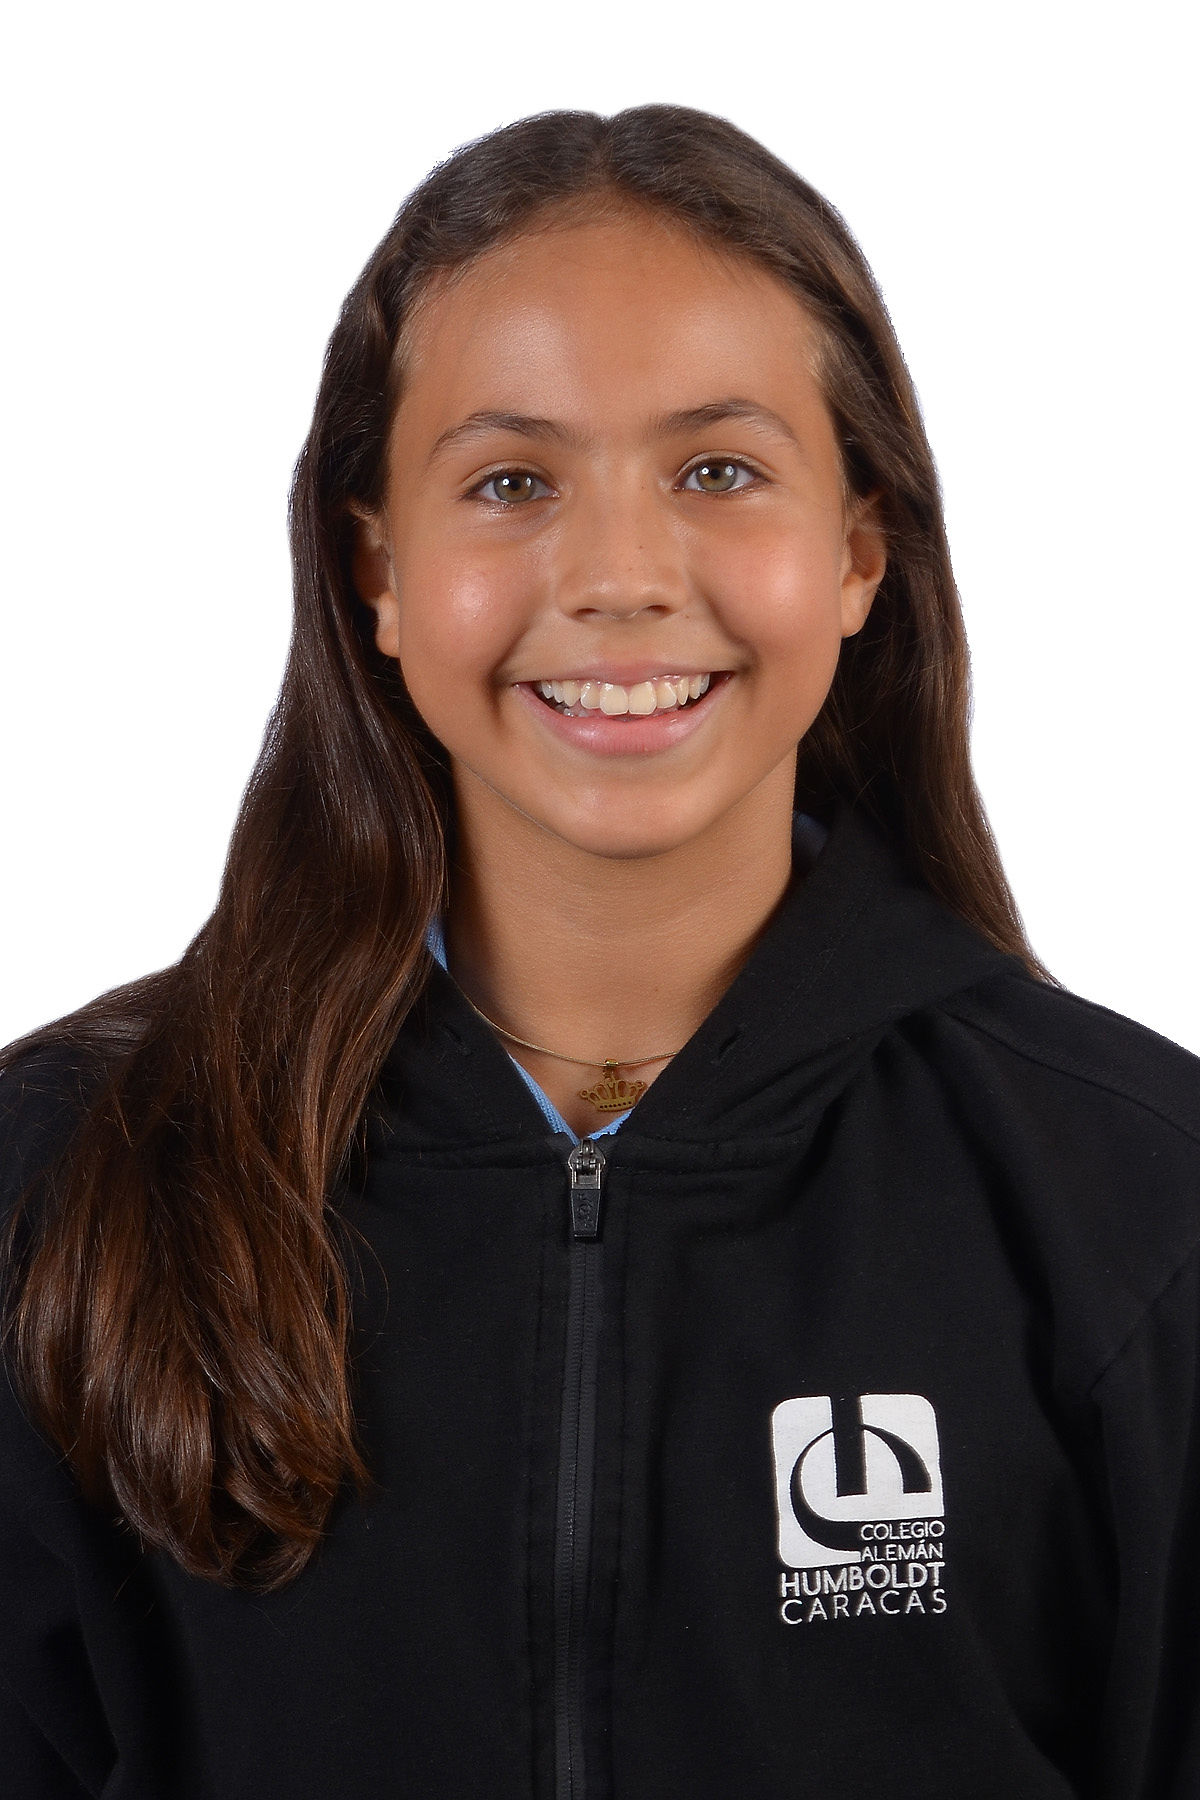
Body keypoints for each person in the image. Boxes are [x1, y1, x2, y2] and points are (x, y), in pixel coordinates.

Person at [2, 103, 1198, 1800]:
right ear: (376, 567)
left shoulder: (1138, 1205)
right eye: (511, 482)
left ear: (858, 550)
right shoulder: (64, 1181)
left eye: (718, 471)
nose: (621, 575)